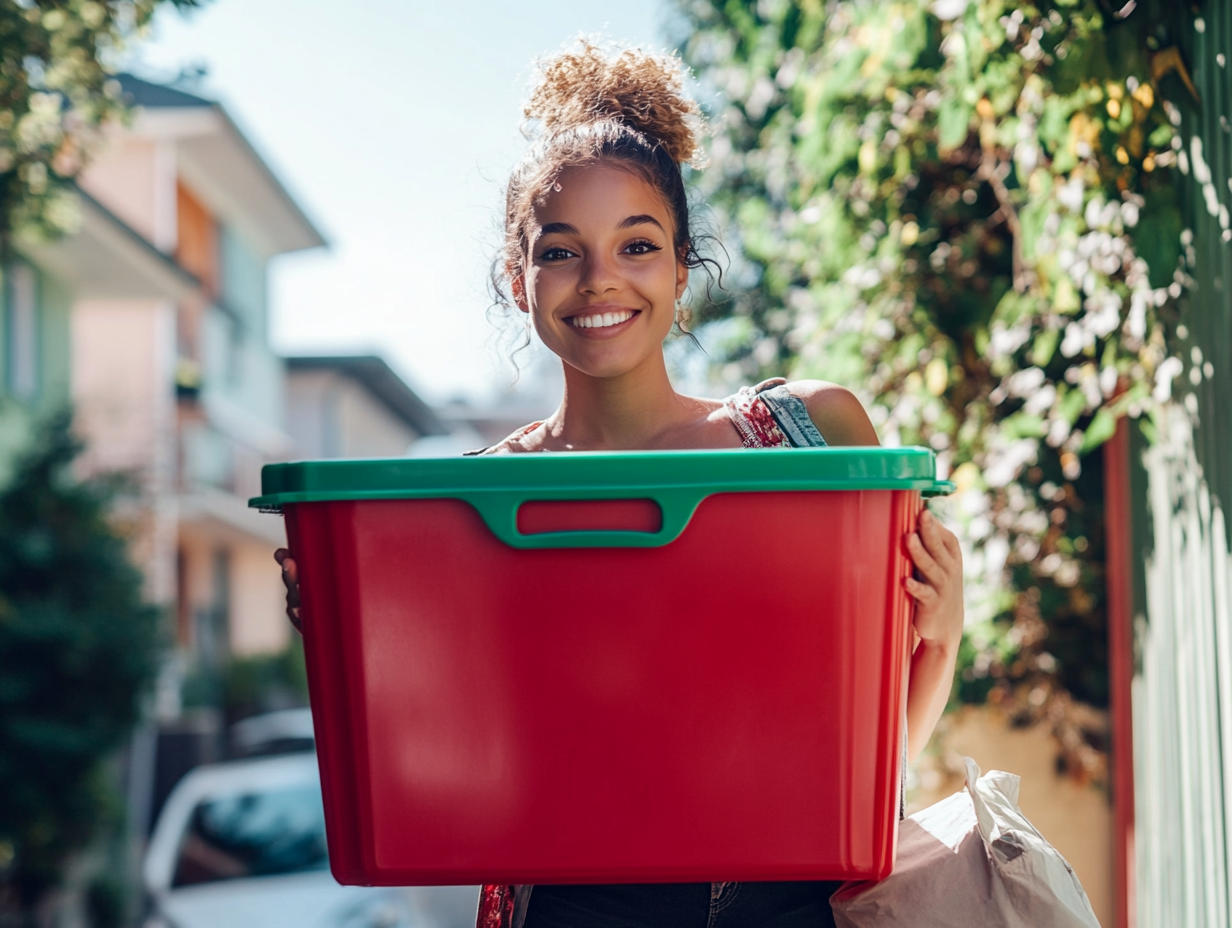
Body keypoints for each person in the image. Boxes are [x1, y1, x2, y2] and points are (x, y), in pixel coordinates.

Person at [275, 40, 964, 928]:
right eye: (562, 252)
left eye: (636, 245)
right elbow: (443, 782)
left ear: (682, 269)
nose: (601, 278)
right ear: (518, 282)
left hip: (797, 909)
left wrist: (938, 642)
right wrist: (352, 638)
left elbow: (866, 779)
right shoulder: (467, 514)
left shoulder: (807, 436)